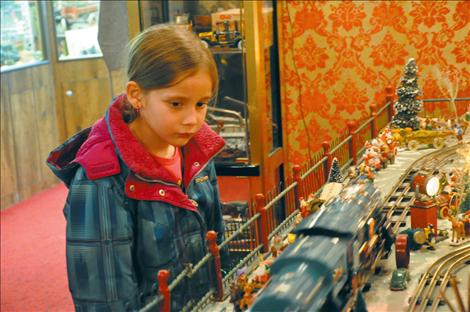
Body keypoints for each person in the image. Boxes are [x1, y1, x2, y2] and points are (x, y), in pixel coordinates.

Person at [47, 24, 225, 311]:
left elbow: (217, 245)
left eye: (201, 103)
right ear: (136, 95)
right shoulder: (101, 179)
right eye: (176, 104)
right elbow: (106, 298)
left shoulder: (198, 150)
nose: (193, 119)